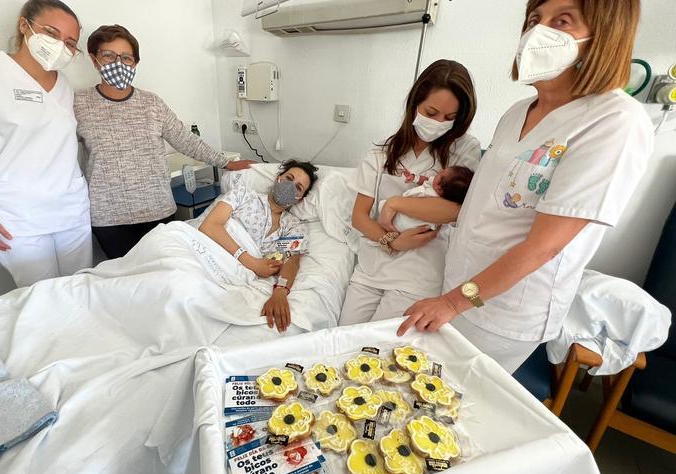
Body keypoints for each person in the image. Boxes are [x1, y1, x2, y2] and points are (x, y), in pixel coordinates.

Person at [399, 0, 654, 374]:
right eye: (534, 19)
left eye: (562, 20)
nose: (538, 31)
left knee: (456, 404)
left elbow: (544, 246)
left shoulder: (615, 122)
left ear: (604, 34)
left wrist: (454, 302)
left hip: (507, 309)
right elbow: (499, 199)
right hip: (461, 284)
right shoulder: (517, 112)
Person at [73, 24, 255, 259]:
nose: (118, 63)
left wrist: (224, 163)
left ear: (135, 63)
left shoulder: (152, 104)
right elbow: (58, 152)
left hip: (157, 209)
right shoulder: (79, 104)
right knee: (128, 280)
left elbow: (184, 139)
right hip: (110, 218)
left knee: (166, 273)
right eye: (108, 55)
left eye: (126, 58)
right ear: (95, 59)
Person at [0, 0, 91, 288]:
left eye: (70, 43)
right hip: (17, 213)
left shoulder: (64, 85)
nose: (60, 45)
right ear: (25, 26)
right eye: (51, 33)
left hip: (70, 208)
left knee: (81, 288)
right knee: (40, 297)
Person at [338, 60, 481, 326]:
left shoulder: (464, 150)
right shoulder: (382, 152)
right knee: (344, 336)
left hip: (420, 272)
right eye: (432, 111)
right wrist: (392, 241)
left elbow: (456, 211)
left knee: (381, 348)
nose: (439, 123)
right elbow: (359, 216)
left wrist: (395, 203)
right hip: (372, 265)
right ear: (415, 103)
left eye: (450, 118)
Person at [199, 160, 318, 332]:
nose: (290, 187)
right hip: (207, 251)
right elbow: (209, 226)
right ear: (278, 178)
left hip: (233, 273)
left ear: (300, 199)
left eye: (298, 188)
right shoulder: (243, 195)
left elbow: (292, 260)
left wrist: (280, 290)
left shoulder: (294, 226)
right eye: (288, 178)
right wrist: (251, 262)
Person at [377, 166, 474, 233]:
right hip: (405, 208)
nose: (439, 171)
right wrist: (415, 178)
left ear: (439, 188)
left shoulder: (434, 198)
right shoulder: (436, 185)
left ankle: (390, 227)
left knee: (400, 220)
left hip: (412, 220)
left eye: (440, 174)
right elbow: (426, 180)